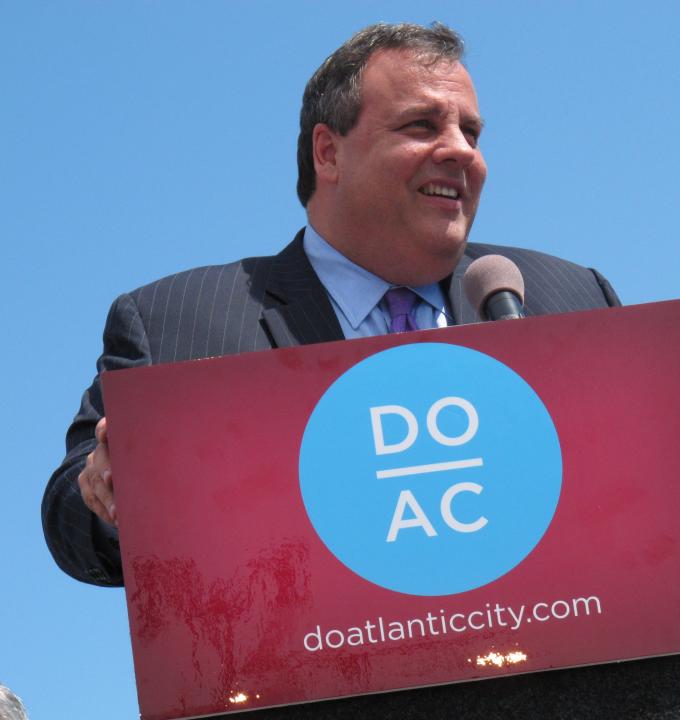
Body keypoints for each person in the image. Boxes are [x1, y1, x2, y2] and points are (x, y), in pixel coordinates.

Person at [42, 22, 620, 587]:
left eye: (472, 132)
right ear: (328, 153)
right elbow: (71, 510)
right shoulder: (177, 323)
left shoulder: (570, 300)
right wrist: (109, 495)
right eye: (422, 125)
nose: (462, 152)